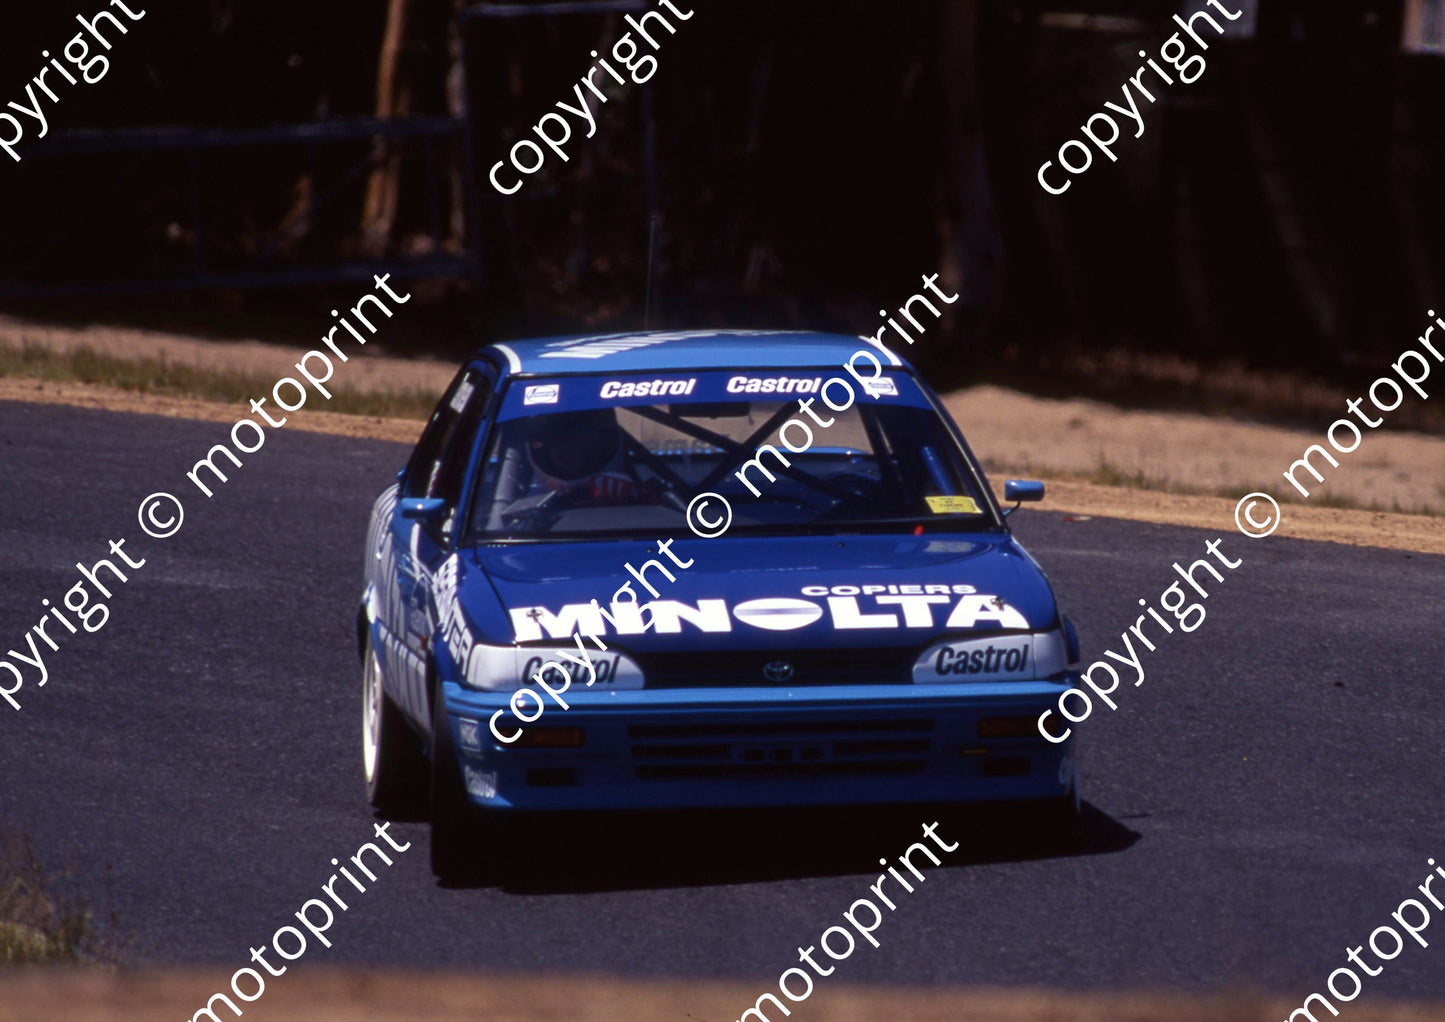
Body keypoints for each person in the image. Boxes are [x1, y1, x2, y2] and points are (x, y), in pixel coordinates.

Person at [523, 408, 647, 504]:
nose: (576, 461)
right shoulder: (525, 501)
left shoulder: (628, 487)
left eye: (583, 453)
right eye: (567, 456)